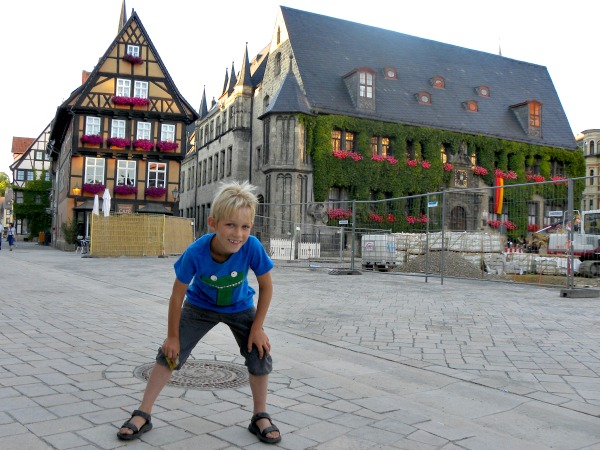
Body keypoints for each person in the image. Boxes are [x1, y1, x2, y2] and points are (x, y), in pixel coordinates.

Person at [117, 181, 281, 444]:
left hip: (239, 307)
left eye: (245, 226)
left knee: (259, 353)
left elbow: (266, 286)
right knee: (169, 354)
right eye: (230, 225)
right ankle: (143, 413)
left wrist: (258, 328)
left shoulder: (251, 247)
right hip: (200, 306)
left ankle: (260, 415)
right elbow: (176, 295)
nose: (238, 234)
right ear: (213, 223)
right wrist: (173, 337)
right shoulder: (196, 251)